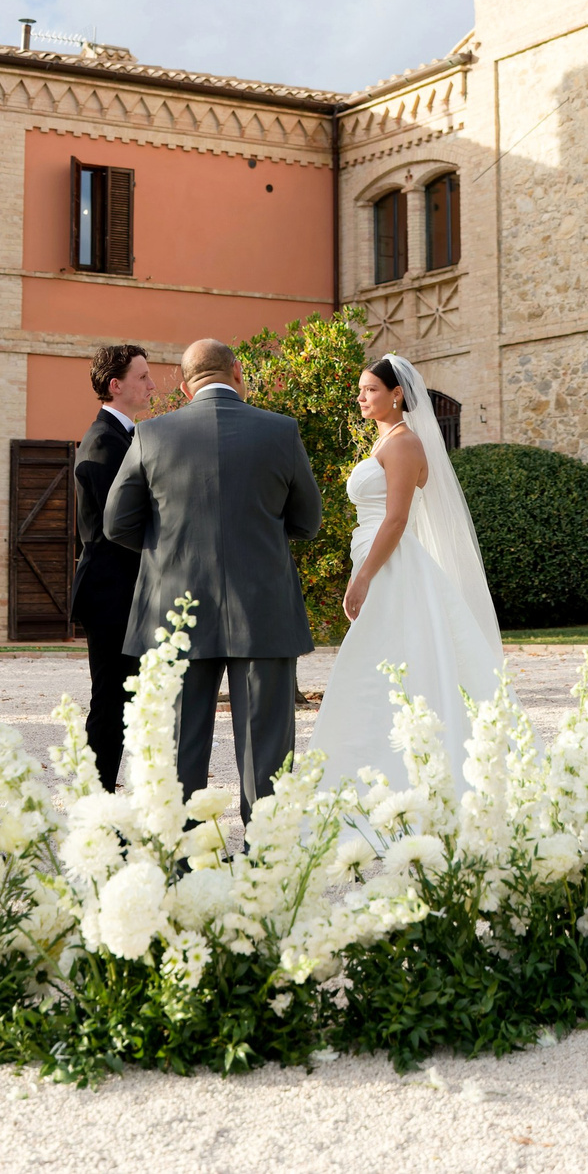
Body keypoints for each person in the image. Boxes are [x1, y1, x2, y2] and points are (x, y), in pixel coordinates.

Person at [103, 338, 323, 822]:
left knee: (180, 746)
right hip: (262, 611)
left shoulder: (151, 435)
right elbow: (308, 522)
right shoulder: (281, 432)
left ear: (184, 387)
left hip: (174, 612)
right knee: (267, 751)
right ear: (239, 374)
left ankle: (183, 861)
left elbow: (115, 523)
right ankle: (267, 862)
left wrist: (170, 545)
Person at [302, 355, 503, 796]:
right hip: (376, 558)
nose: (361, 397)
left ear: (397, 394)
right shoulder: (385, 442)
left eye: (371, 389)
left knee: (384, 654)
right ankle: (372, 761)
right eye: (360, 389)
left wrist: (363, 578)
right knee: (382, 659)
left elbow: (396, 520)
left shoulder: (403, 443)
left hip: (390, 563)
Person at [70, 344, 151, 788]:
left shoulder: (124, 437)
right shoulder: (103, 443)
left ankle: (104, 790)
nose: (152, 385)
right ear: (115, 385)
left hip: (124, 592)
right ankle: (96, 795)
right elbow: (113, 528)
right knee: (111, 700)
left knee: (122, 699)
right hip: (111, 593)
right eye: (142, 377)